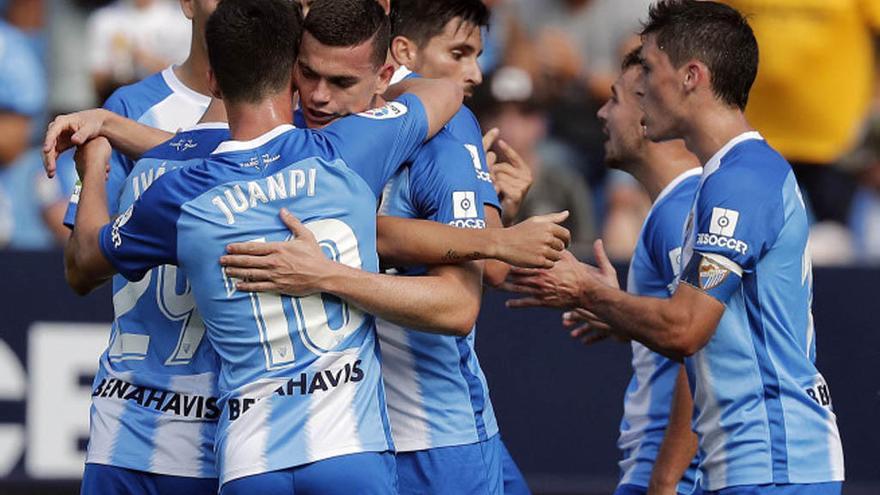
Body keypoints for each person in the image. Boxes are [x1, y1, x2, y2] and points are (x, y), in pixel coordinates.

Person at [64, 1, 466, 493]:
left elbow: (83, 262)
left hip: (249, 457)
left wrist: (95, 170)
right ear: (294, 76)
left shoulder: (180, 192)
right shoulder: (344, 150)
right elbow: (445, 89)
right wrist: (373, 84)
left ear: (214, 81)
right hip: (349, 447)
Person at [503, 2, 845, 493]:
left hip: (776, 466)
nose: (639, 89)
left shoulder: (740, 182)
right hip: (754, 467)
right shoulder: (721, 180)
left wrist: (588, 292)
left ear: (690, 76)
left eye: (647, 66)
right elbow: (716, 325)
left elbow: (685, 329)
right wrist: (622, 312)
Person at [581, 48, 701, 495]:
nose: (602, 112)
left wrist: (665, 479)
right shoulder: (677, 206)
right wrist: (623, 316)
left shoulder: (680, 212)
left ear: (648, 112)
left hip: (674, 471)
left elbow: (703, 349)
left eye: (614, 100)